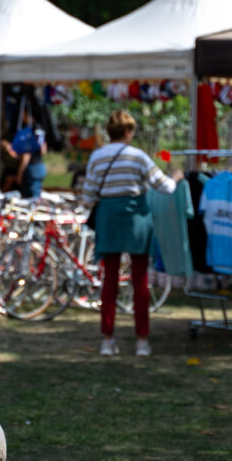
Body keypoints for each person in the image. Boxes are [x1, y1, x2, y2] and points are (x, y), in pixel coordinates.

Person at [81, 109, 182, 357]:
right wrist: (177, 177)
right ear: (128, 131)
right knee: (140, 281)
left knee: (109, 280)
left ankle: (107, 340)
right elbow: (165, 187)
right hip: (137, 220)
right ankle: (142, 342)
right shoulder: (138, 156)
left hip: (109, 220)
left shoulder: (97, 157)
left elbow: (88, 197)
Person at [1, 106, 47, 198]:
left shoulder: (28, 132)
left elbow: (26, 155)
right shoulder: (40, 129)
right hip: (40, 167)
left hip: (31, 168)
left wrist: (20, 174)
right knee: (36, 195)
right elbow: (43, 150)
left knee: (29, 198)